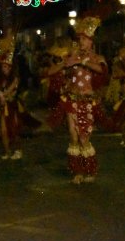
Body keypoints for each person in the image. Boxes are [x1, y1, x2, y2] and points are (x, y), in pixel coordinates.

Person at [47, 16, 109, 184]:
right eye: (79, 38)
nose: (80, 41)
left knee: (84, 138)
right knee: (73, 137)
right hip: (71, 100)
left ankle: (89, 170)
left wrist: (84, 61)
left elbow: (102, 72)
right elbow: (51, 72)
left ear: (90, 41)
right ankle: (77, 172)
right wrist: (65, 64)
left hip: (88, 101)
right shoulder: (71, 56)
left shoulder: (98, 58)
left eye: (83, 39)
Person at [0, 50, 25, 160]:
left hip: (12, 105)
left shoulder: (15, 78)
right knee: (3, 130)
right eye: (4, 66)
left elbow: (10, 90)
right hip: (2, 105)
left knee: (14, 128)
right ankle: (7, 151)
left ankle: (18, 150)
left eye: (7, 67)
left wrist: (2, 95)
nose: (5, 69)